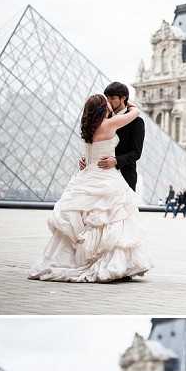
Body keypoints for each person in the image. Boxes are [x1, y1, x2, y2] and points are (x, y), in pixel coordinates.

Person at [29, 95, 152, 283]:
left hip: (88, 174)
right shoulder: (109, 125)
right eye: (107, 103)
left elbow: (87, 155)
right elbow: (135, 114)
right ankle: (108, 262)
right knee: (112, 220)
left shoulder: (87, 129)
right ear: (103, 108)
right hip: (106, 176)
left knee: (88, 219)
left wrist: (86, 161)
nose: (110, 105)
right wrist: (130, 105)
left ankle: (76, 259)